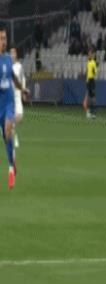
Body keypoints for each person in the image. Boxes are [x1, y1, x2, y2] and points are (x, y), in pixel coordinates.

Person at [0, 29, 29, 189]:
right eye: (1, 39)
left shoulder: (7, 59)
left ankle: (11, 168)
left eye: (4, 38)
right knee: (6, 138)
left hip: (9, 103)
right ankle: (13, 160)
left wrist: (22, 89)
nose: (4, 41)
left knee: (7, 130)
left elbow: (13, 77)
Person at [10, 47, 25, 149]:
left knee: (20, 117)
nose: (12, 54)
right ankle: (14, 137)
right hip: (9, 95)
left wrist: (23, 91)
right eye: (10, 53)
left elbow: (22, 79)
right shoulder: (7, 65)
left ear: (16, 54)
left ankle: (10, 126)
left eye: (13, 53)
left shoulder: (19, 66)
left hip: (18, 94)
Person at [85, 49, 97, 118]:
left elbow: (95, 73)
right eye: (88, 54)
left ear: (92, 55)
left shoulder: (93, 62)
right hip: (88, 81)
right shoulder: (88, 62)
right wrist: (86, 79)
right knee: (89, 97)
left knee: (93, 98)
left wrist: (93, 71)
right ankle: (89, 113)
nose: (89, 55)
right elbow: (87, 72)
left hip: (92, 80)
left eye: (90, 54)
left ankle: (93, 112)